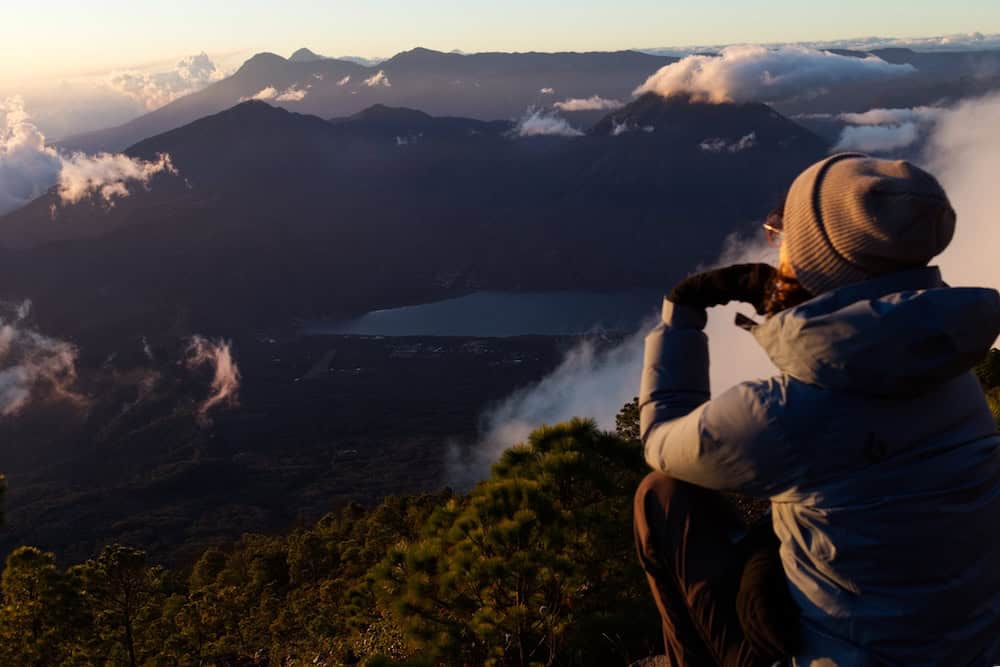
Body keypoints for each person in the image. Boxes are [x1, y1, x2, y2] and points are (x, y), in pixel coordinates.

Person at [634, 153, 1000, 666]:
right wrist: (801, 308)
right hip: (971, 651)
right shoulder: (950, 369)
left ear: (812, 262)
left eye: (782, 234)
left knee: (663, 496)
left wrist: (680, 320)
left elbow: (660, 440)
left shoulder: (784, 415)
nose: (776, 245)